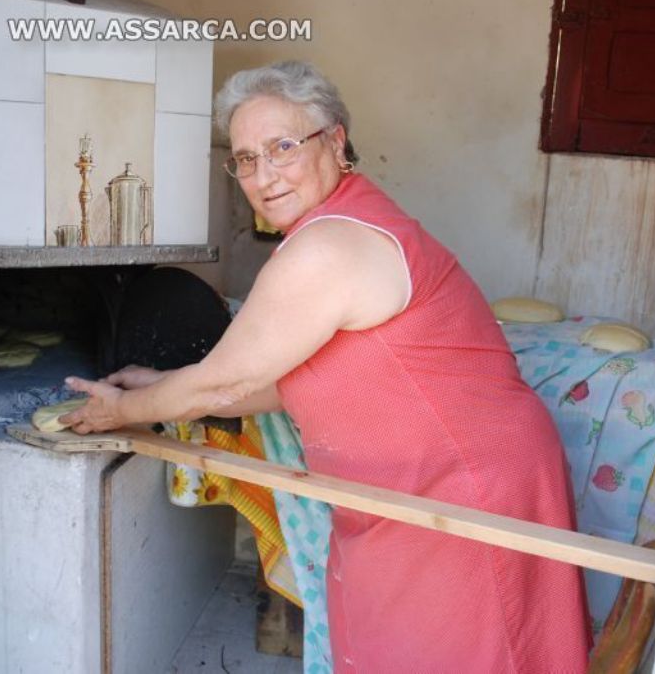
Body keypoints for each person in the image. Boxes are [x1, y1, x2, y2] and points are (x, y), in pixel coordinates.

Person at [61, 60, 591, 672]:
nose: (263, 175)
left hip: (459, 497)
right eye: (246, 158)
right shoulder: (336, 226)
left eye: (282, 147)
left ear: (336, 141)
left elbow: (228, 377)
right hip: (422, 492)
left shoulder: (329, 246)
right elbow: (278, 381)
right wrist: (162, 387)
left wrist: (121, 411)